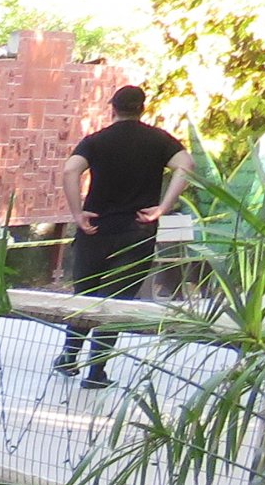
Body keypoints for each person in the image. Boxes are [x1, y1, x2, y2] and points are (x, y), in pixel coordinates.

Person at [57, 86, 190, 388]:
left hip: (96, 228)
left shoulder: (96, 141)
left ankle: (70, 354)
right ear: (142, 108)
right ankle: (96, 372)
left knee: (86, 294)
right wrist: (163, 207)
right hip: (137, 229)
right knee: (116, 301)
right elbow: (186, 165)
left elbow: (69, 171)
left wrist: (78, 213)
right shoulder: (158, 140)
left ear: (112, 108)